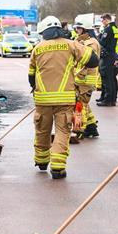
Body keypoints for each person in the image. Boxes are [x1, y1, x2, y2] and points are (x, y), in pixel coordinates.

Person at [29, 15, 98, 179]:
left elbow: (31, 76)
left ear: (43, 32)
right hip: (65, 99)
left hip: (42, 99)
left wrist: (36, 88)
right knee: (62, 132)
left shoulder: (37, 48)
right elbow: (93, 60)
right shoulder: (71, 45)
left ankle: (41, 161)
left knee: (42, 130)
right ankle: (58, 168)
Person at [72, 14, 102, 139]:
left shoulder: (91, 43)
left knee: (80, 105)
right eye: (76, 28)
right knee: (84, 103)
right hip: (80, 78)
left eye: (79, 28)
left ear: (86, 29)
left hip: (86, 79)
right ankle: (91, 127)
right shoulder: (79, 41)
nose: (77, 31)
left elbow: (89, 62)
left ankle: (80, 130)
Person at [97, 14, 118, 106]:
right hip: (113, 55)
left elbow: (103, 42)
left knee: (107, 78)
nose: (102, 22)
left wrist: (99, 37)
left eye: (103, 20)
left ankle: (107, 100)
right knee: (112, 78)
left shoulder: (108, 29)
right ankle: (112, 99)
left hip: (107, 56)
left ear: (106, 20)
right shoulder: (115, 28)